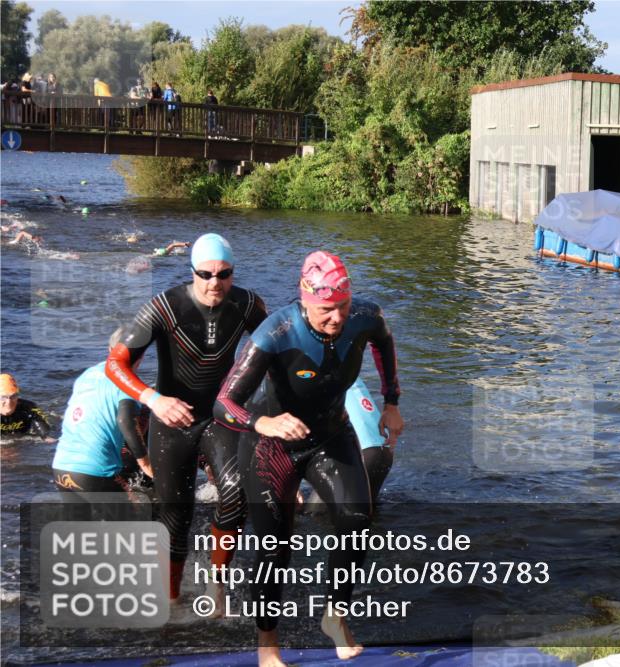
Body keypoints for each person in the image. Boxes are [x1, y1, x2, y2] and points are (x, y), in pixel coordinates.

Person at [214, 251, 403, 666]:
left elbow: (384, 343)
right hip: (272, 446)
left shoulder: (365, 316)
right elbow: (224, 402)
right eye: (325, 310)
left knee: (356, 519)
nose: (336, 318)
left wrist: (391, 402)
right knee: (274, 550)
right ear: (305, 301)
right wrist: (262, 424)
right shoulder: (275, 331)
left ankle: (335, 616)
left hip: (331, 435)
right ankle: (268, 645)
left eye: (342, 307)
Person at [106, 233, 267, 605]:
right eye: (206, 274)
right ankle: (171, 601)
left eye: (224, 274)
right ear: (192, 271)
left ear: (233, 272)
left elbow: (275, 347)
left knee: (237, 493)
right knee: (176, 519)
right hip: (171, 422)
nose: (215, 283)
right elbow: (115, 364)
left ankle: (217, 585)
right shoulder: (165, 307)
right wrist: (153, 399)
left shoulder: (246, 304)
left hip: (217, 416)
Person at [52, 328, 153, 495]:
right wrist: (146, 464)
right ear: (141, 355)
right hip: (96, 472)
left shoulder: (87, 374)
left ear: (109, 350)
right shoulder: (128, 381)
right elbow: (126, 421)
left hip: (62, 467)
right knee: (139, 517)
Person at [1, 373, 52, 439]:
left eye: (13, 396)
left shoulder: (29, 408)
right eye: (3, 397)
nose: (9, 402)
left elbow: (46, 437)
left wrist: (45, 437)